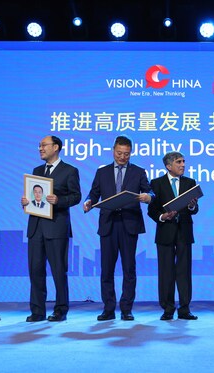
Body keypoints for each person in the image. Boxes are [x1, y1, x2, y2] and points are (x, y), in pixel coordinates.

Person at [84, 135, 153, 321]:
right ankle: (108, 308)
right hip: (108, 224)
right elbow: (94, 193)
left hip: (130, 224)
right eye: (119, 153)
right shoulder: (102, 172)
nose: (122, 157)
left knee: (129, 269)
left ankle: (126, 309)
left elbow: (149, 191)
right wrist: (88, 201)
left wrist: (148, 197)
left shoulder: (138, 172)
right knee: (107, 269)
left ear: (131, 153)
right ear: (113, 151)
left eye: (126, 154)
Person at [21, 135, 81, 322]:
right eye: (39, 145)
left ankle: (60, 310)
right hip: (36, 227)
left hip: (56, 228)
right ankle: (37, 311)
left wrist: (59, 201)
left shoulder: (69, 170)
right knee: (36, 270)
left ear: (55, 147)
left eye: (43, 145)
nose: (40, 148)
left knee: (58, 271)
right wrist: (26, 202)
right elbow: (33, 196)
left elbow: (76, 196)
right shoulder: (37, 170)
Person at [147, 152, 199, 321]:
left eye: (184, 161)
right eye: (179, 162)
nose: (183, 165)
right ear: (169, 166)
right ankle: (168, 308)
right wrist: (163, 217)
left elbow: (195, 210)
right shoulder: (156, 184)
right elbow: (152, 210)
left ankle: (185, 308)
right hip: (165, 231)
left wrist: (192, 206)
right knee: (166, 272)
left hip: (184, 232)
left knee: (184, 272)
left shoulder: (190, 183)